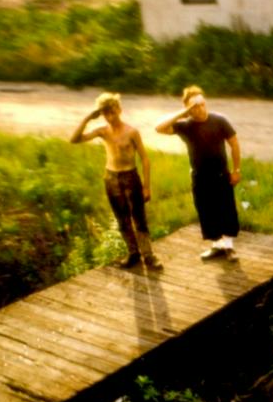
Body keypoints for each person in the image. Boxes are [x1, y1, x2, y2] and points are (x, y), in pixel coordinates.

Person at [70, 92, 163, 270]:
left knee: (139, 219)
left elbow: (144, 158)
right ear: (102, 114)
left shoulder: (132, 132)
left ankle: (149, 256)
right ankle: (133, 253)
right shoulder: (102, 131)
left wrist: (146, 186)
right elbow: (74, 140)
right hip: (111, 178)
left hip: (130, 177)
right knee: (122, 219)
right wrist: (89, 117)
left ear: (119, 110)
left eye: (112, 112)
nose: (109, 116)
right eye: (105, 113)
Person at [155, 85, 241, 260]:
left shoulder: (220, 120)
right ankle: (217, 246)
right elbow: (159, 128)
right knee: (206, 210)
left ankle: (229, 247)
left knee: (226, 209)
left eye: (202, 103)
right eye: (195, 106)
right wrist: (183, 113)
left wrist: (236, 170)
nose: (200, 108)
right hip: (199, 177)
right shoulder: (186, 126)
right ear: (189, 109)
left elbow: (234, 145)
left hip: (221, 175)